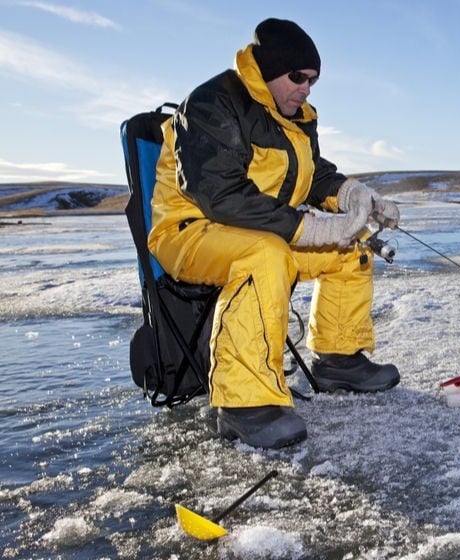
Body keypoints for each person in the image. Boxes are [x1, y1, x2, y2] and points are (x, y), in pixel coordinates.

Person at [147, 18, 400, 449]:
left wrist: (355, 197)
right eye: (298, 77)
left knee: (350, 250)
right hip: (191, 232)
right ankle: (244, 403)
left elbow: (313, 175)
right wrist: (309, 227)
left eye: (313, 80)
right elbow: (221, 195)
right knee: (264, 255)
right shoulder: (213, 103)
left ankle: (338, 357)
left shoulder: (297, 117)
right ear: (268, 69)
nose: (306, 88)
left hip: (260, 229)